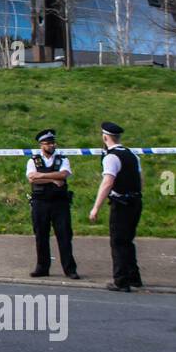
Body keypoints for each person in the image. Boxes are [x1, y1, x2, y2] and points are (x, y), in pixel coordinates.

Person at [88, 121, 143, 292]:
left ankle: (121, 280)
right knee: (128, 241)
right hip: (136, 201)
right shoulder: (132, 155)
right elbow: (140, 180)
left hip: (121, 203)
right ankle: (134, 277)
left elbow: (107, 182)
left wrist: (96, 207)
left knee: (118, 242)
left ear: (105, 137)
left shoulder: (111, 157)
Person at [25, 129, 79, 279]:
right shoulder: (33, 160)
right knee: (41, 235)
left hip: (59, 203)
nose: (51, 145)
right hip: (39, 202)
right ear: (41, 145)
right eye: (48, 143)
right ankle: (42, 267)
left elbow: (63, 175)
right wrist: (52, 178)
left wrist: (41, 175)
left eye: (53, 143)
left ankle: (70, 269)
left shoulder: (63, 159)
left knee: (64, 236)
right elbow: (32, 179)